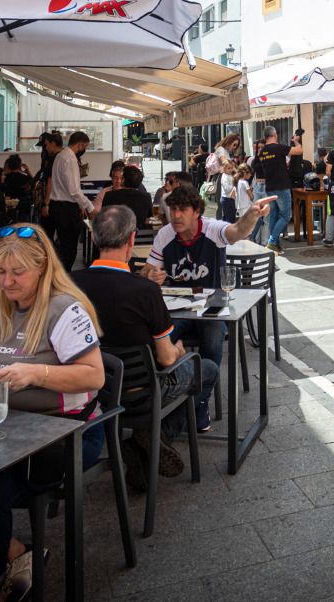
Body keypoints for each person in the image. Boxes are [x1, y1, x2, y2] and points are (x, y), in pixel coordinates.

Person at [0, 225, 105, 599]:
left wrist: (35, 372)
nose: (7, 281)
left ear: (42, 268)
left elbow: (94, 376)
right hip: (2, 426)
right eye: (1, 272)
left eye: (17, 272)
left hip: (61, 434)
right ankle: (14, 552)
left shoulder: (64, 309)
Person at [78, 205, 219, 450]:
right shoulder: (145, 291)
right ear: (132, 239)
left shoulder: (70, 284)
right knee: (207, 368)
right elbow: (166, 359)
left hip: (91, 389)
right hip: (142, 392)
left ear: (93, 237)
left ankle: (148, 442)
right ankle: (158, 438)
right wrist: (179, 351)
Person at [142, 186, 271, 429]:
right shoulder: (165, 235)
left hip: (212, 308)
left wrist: (252, 214)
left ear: (196, 212)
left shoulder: (212, 229)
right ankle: (167, 396)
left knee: (213, 337)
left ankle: (200, 403)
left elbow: (236, 232)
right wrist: (151, 276)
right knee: (156, 339)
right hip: (178, 308)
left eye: (183, 210)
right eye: (173, 210)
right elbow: (147, 270)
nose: (176, 215)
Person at [47, 131, 96, 270]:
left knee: (64, 246)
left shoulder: (60, 156)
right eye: (85, 146)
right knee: (69, 248)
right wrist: (89, 207)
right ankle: (65, 279)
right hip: (66, 208)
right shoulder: (70, 158)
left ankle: (62, 277)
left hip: (57, 206)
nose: (84, 150)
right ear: (80, 145)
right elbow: (74, 190)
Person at [253, 125, 296, 248]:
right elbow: (299, 150)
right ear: (275, 135)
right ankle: (272, 241)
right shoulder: (278, 148)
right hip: (282, 186)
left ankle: (274, 243)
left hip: (269, 187)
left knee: (273, 216)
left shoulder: (262, 152)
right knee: (286, 216)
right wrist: (296, 141)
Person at [102, 164, 154, 229]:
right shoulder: (147, 197)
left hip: (116, 236)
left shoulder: (109, 195)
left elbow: (103, 218)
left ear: (123, 180)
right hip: (141, 237)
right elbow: (148, 220)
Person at [1, 154, 33, 221]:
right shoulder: (26, 178)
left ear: (9, 165)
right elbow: (33, 185)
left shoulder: (5, 178)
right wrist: (28, 171)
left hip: (9, 209)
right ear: (19, 165)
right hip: (24, 209)